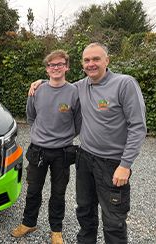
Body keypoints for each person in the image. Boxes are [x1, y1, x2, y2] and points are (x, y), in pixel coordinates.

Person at [28, 42, 147, 244]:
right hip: (84, 158)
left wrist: (125, 165)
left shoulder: (124, 84)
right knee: (84, 211)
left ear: (107, 61)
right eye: (87, 60)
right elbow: (58, 85)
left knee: (113, 220)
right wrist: (39, 82)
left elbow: (138, 127)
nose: (91, 64)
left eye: (96, 59)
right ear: (82, 64)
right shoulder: (79, 87)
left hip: (112, 163)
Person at [11, 50, 81, 244]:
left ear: (67, 67)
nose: (56, 68)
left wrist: (62, 137)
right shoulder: (37, 90)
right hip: (38, 150)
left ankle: (56, 230)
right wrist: (39, 134)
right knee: (33, 190)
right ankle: (28, 223)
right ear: (47, 69)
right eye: (52, 65)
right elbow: (31, 116)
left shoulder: (75, 92)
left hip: (63, 152)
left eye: (60, 64)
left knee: (58, 193)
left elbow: (78, 123)